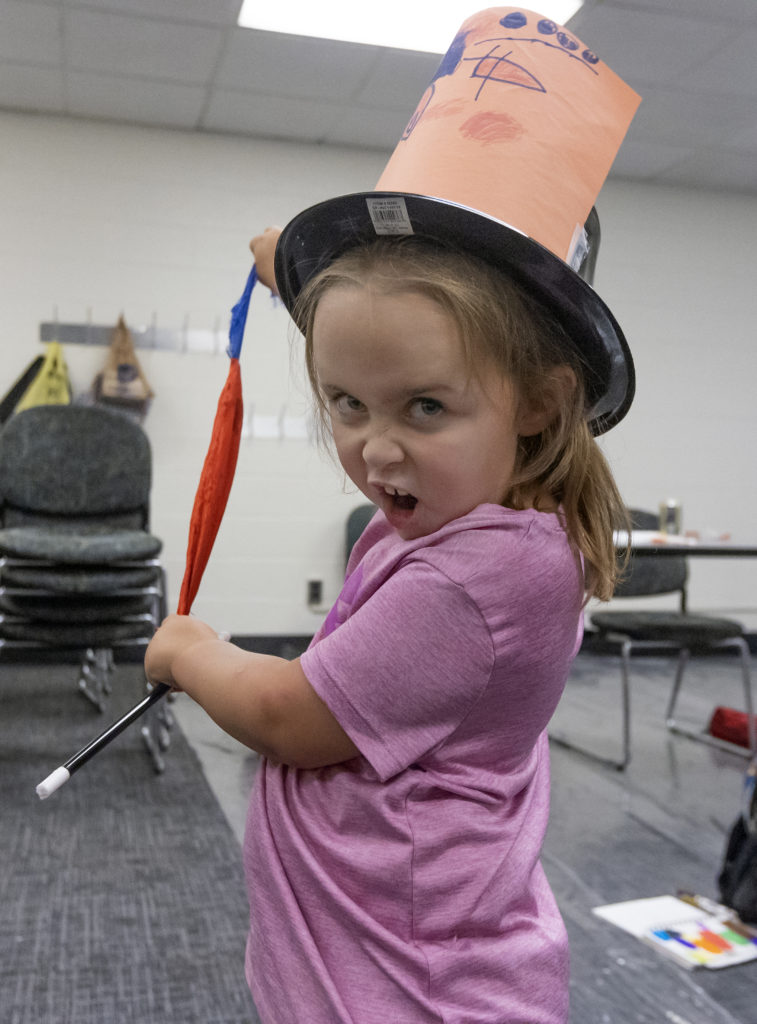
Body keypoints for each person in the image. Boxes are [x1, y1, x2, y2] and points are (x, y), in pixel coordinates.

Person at [145, 221, 629, 1023]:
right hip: (376, 954)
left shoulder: (469, 580)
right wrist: (296, 280)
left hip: (409, 987)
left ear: (541, 402)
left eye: (424, 408)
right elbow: (404, 345)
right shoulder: (493, 503)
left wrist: (189, 652)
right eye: (346, 404)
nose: (376, 450)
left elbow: (287, 717)